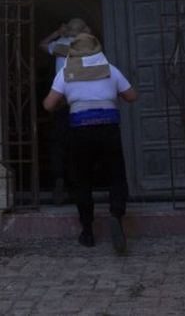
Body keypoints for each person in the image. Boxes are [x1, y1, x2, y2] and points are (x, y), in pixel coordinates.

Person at [41, 30, 137, 253]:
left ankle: (87, 231)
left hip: (80, 130)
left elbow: (48, 104)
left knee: (82, 180)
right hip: (108, 128)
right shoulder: (110, 70)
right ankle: (116, 214)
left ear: (73, 50)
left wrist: (69, 97)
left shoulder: (66, 73)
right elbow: (132, 96)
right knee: (115, 175)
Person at [36, 18, 91, 197]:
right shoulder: (90, 48)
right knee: (80, 143)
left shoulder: (60, 46)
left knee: (59, 143)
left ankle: (59, 178)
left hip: (61, 101)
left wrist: (58, 33)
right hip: (83, 102)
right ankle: (78, 184)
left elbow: (42, 44)